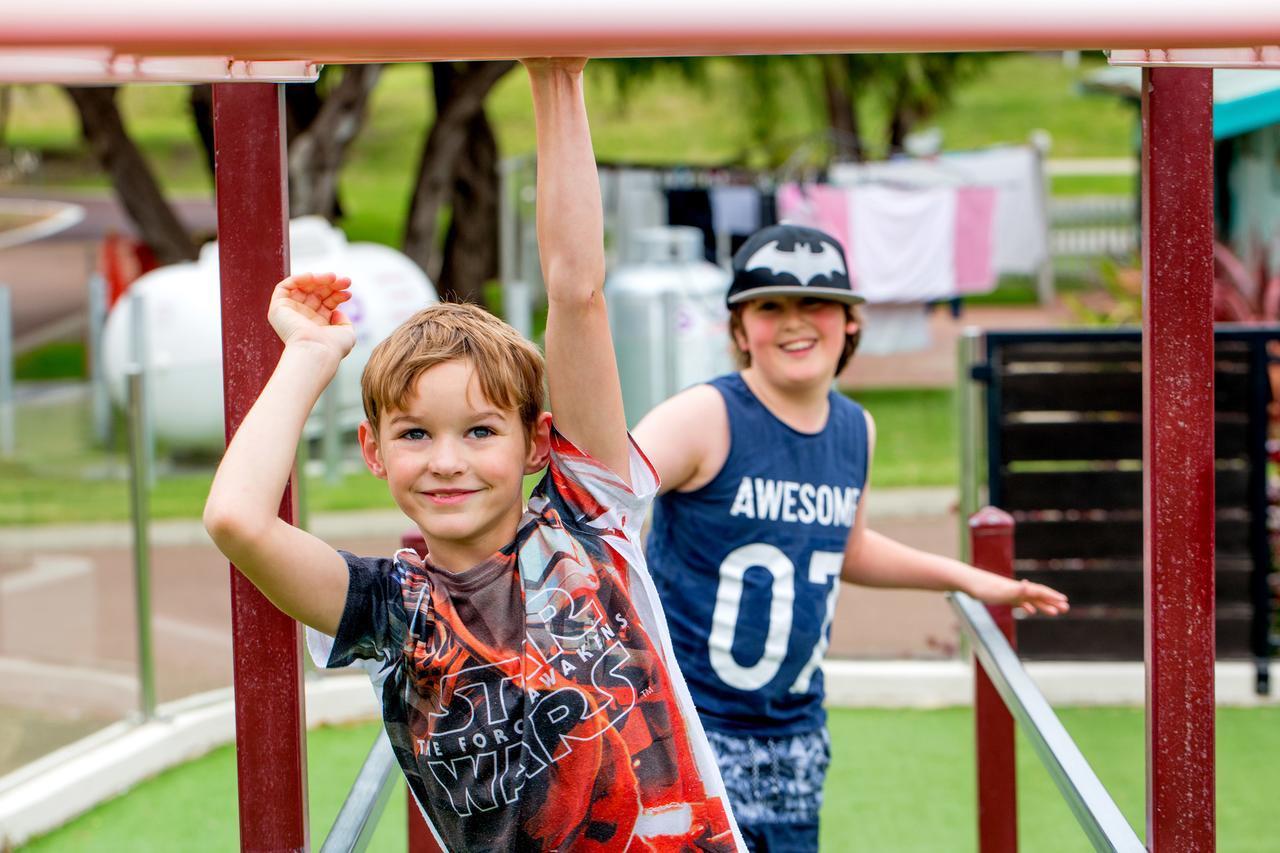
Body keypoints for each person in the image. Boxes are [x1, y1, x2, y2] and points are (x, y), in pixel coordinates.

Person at [204, 59, 743, 853]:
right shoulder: (391, 612)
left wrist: (556, 78)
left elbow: (576, 292)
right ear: (375, 452)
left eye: (481, 431)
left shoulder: (590, 524)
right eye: (415, 433)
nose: (447, 459)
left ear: (537, 442)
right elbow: (235, 519)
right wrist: (313, 353)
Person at [632, 223, 1068, 852]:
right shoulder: (705, 416)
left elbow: (850, 547)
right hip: (689, 726)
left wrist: (967, 577)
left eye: (814, 303)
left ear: (851, 322)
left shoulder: (854, 429)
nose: (793, 322)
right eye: (770, 305)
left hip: (794, 734)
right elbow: (602, 499)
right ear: (738, 328)